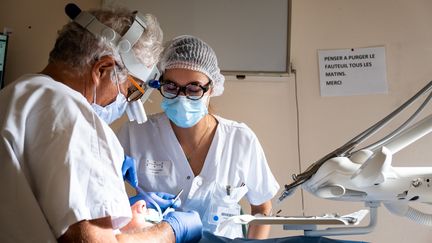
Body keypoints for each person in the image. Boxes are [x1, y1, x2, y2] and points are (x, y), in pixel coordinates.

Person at [0, 5, 202, 243]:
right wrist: (170, 231)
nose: (126, 102)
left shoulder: (14, 94)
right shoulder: (76, 118)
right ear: (103, 69)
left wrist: (104, 206)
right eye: (130, 90)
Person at [117, 35, 280, 239]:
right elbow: (105, 203)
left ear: (211, 88)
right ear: (160, 85)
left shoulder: (240, 140)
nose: (182, 97)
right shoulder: (135, 134)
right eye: (171, 87)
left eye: (194, 89)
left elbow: (262, 208)